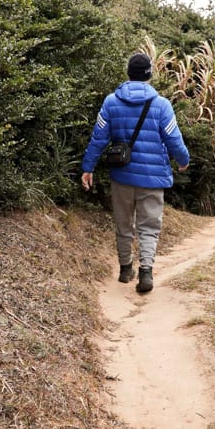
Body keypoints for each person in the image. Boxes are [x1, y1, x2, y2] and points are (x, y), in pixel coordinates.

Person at [81, 53, 190, 294]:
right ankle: (146, 272)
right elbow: (173, 138)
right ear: (149, 74)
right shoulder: (161, 105)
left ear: (128, 72)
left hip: (122, 175)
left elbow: (98, 138)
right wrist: (183, 161)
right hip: (152, 179)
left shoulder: (111, 102)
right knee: (149, 226)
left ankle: (124, 268)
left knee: (123, 223)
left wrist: (88, 167)